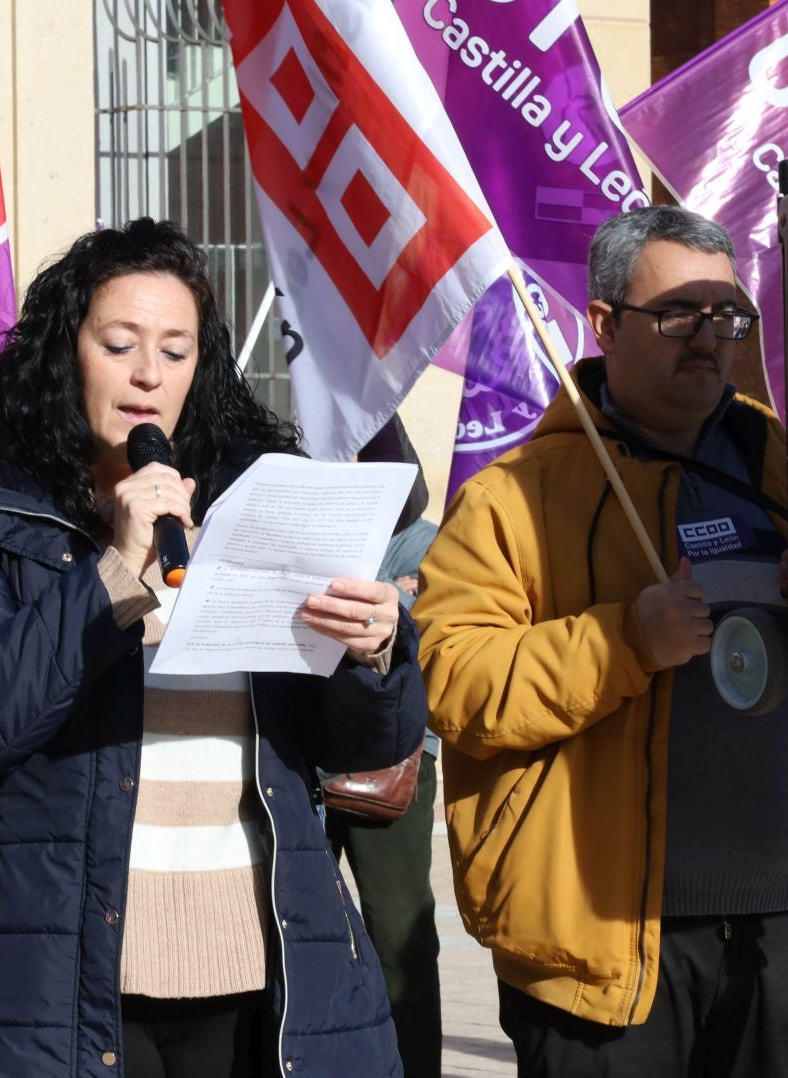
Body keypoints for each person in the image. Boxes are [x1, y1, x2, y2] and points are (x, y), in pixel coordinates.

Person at [0, 218, 425, 1077]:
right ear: (66, 353)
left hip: (256, 971)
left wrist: (374, 655)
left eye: (176, 352)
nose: (148, 375)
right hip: (53, 976)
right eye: (120, 344)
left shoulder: (259, 504)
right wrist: (110, 573)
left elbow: (359, 748)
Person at [415, 204, 788, 1076]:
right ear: (603, 325)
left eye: (727, 317)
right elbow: (453, 682)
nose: (709, 339)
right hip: (600, 948)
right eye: (679, 316)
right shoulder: (513, 498)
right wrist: (623, 640)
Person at [322, 415, 442, 1078]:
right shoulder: (315, 534)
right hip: (309, 753)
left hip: (396, 765)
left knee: (399, 935)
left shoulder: (426, 544)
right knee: (300, 929)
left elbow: (431, 640)